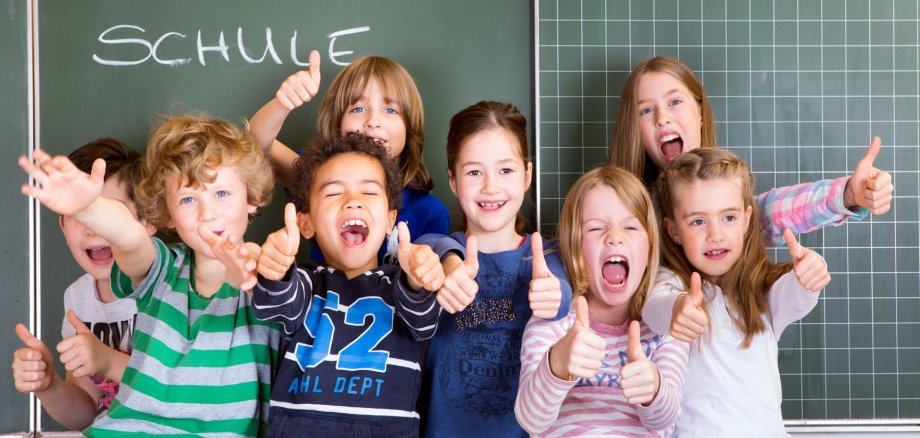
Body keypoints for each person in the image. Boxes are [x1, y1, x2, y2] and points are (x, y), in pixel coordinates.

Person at [18, 114, 282, 436]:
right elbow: (129, 237)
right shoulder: (162, 274)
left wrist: (256, 268)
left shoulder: (271, 276)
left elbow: (268, 286)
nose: (207, 212)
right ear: (167, 215)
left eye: (221, 194)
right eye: (187, 199)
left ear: (251, 198)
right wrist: (88, 209)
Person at [205, 132, 447, 437]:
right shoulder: (307, 282)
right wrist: (276, 267)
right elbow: (278, 300)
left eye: (369, 193)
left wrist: (419, 279)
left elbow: (423, 322)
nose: (353, 202)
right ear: (306, 223)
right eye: (333, 194)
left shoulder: (401, 285)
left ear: (389, 220)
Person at [609, 55, 894, 245]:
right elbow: (579, 243)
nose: (662, 117)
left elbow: (773, 211)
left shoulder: (732, 200)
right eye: (646, 110)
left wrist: (848, 194)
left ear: (700, 114)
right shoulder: (625, 209)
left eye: (674, 102)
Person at [645, 148, 831, 436]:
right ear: (673, 231)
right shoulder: (672, 283)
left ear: (746, 220)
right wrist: (677, 308)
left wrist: (810, 273)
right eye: (697, 221)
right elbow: (655, 307)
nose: (715, 234)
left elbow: (796, 295)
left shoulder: (761, 294)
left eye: (728, 218)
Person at [417, 101, 571, 437]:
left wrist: (557, 296)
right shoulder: (437, 253)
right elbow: (427, 247)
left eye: (506, 170)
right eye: (474, 172)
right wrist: (447, 263)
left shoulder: (546, 258)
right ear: (453, 181)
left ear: (527, 175)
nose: (490, 187)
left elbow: (562, 294)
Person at [515, 166, 688, 436]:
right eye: (596, 228)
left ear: (650, 245)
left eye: (630, 226)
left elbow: (665, 419)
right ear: (574, 247)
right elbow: (531, 420)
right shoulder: (553, 323)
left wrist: (654, 388)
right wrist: (557, 365)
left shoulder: (664, 326)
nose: (615, 236)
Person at [250, 51, 449, 264]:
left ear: (410, 128)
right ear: (337, 124)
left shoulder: (430, 211)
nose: (373, 120)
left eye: (390, 110)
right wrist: (283, 104)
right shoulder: (318, 176)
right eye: (359, 108)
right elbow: (254, 143)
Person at [11, 139, 153, 430]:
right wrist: (49, 385)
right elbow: (88, 413)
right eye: (79, 213)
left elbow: (183, 387)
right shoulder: (78, 298)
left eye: (106, 211)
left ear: (147, 221)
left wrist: (107, 360)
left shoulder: (168, 285)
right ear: (62, 225)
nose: (92, 226)